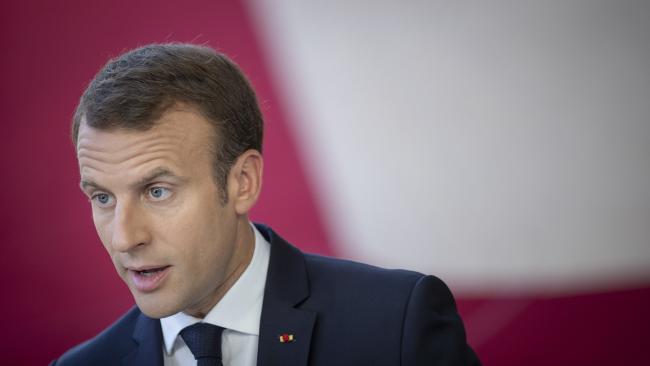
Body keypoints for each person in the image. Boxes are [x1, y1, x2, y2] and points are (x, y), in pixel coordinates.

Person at [52, 43, 480, 366]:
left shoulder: (395, 324)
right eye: (103, 197)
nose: (125, 237)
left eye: (157, 191)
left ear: (243, 182)